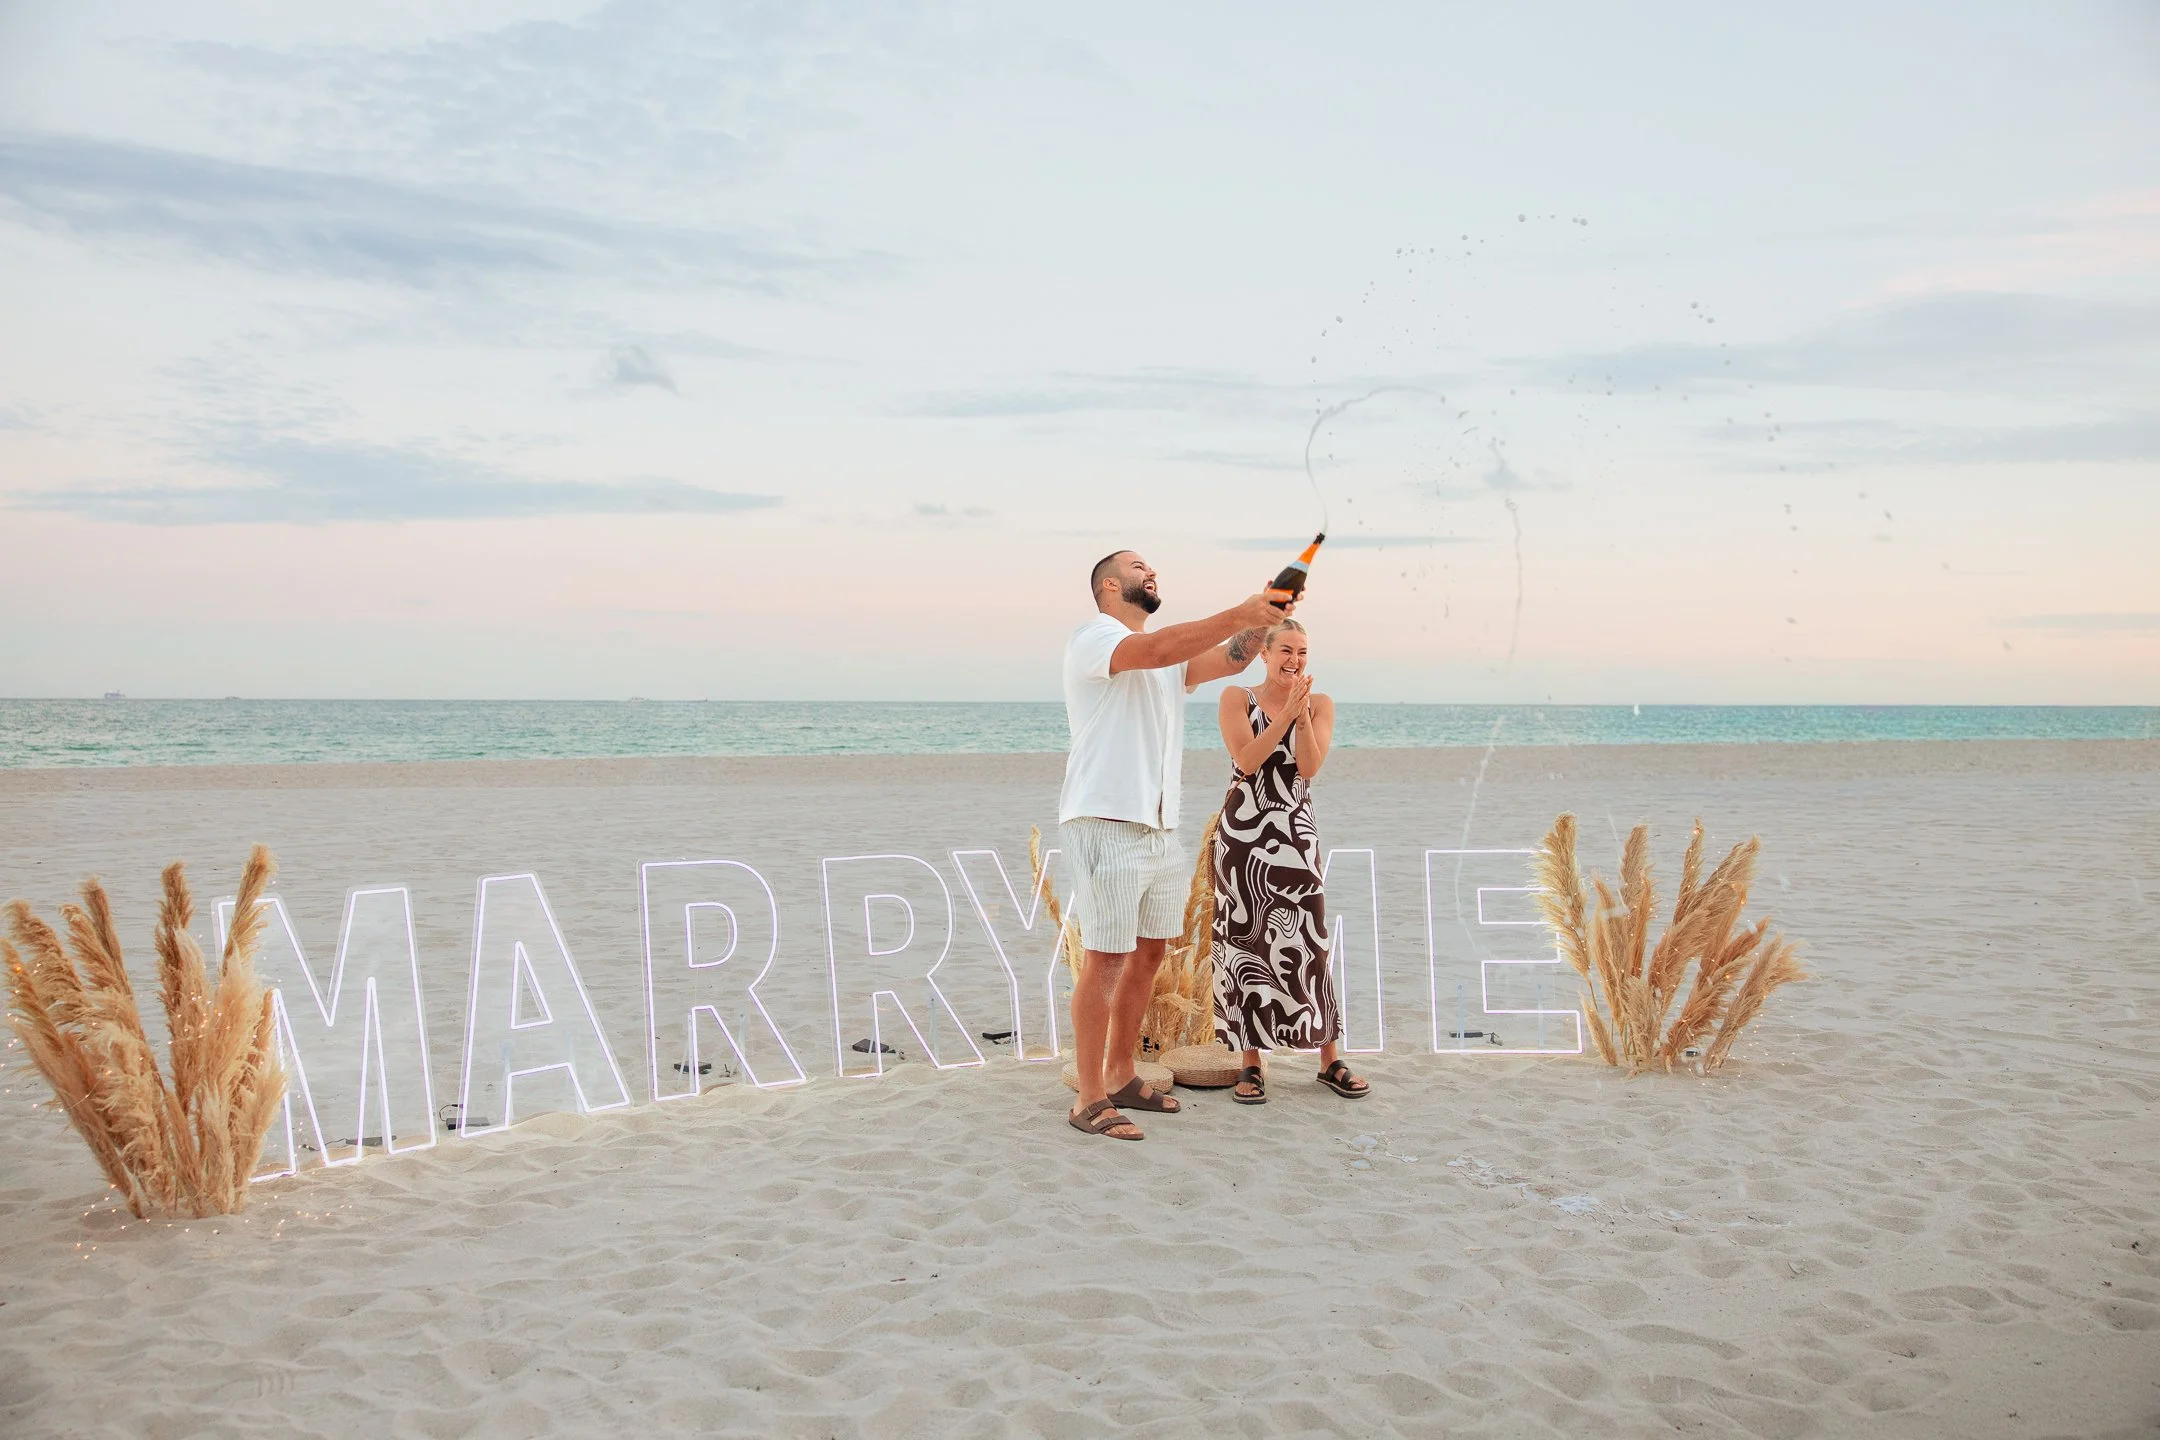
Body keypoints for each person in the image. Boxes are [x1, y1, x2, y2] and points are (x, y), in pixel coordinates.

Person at [1060, 550, 1288, 1140]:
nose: (1150, 570)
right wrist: (1241, 609)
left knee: (1151, 952)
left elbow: (1228, 658)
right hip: (1106, 822)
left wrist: (1264, 619)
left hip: (1160, 827)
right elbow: (1159, 649)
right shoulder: (1096, 638)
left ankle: (1119, 1074)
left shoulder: (1168, 658)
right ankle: (1088, 1098)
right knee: (1105, 960)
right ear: (1110, 585)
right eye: (1138, 566)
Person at [1211, 618, 1370, 1104]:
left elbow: (1308, 767)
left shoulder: (1320, 705)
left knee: (1310, 941)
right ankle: (1251, 1062)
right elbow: (1248, 759)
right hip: (1243, 835)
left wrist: (1301, 716)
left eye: (1302, 652)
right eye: (1285, 650)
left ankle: (1329, 1058)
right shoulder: (1236, 698)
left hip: (1295, 833)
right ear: (1264, 651)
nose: (1294, 661)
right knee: (1245, 945)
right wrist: (1282, 716)